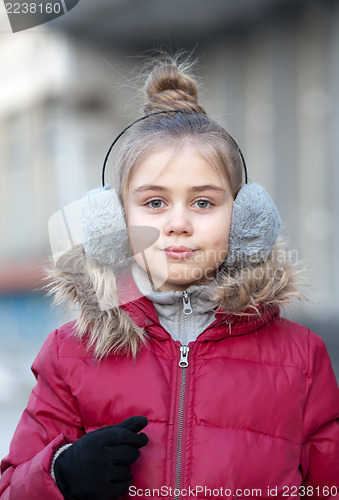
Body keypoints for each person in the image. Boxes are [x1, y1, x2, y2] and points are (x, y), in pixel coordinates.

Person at [0, 55, 338, 500]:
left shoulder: (302, 358)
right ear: (115, 223)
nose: (178, 223)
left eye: (203, 203)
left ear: (244, 221)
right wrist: (60, 476)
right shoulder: (69, 354)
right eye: (155, 203)